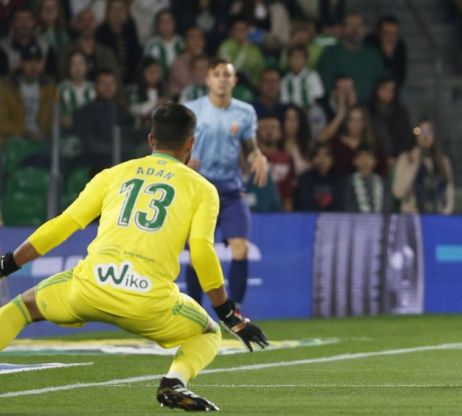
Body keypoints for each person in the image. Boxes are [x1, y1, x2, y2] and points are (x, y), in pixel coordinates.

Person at [0, 103, 269, 411]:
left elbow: (63, 225)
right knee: (208, 332)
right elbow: (202, 252)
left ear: (150, 139)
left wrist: (8, 264)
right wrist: (227, 314)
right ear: (191, 144)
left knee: (22, 307)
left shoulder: (113, 174)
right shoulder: (202, 189)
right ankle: (173, 383)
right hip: (148, 303)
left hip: (88, 289)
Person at [184, 58, 269, 309]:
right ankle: (195, 312)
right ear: (208, 80)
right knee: (198, 254)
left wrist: (258, 157)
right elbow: (176, 145)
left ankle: (236, 310)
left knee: (240, 249)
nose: (222, 78)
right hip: (199, 192)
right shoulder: (191, 110)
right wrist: (184, 162)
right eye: (217, 74)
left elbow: (249, 147)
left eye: (226, 74)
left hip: (231, 192)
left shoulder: (244, 112)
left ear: (234, 81)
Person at [392, 120, 454, 214]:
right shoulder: (405, 159)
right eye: (420, 131)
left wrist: (446, 213)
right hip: (412, 216)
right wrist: (414, 164)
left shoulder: (443, 161)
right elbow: (398, 192)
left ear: (434, 136)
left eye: (428, 131)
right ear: (415, 135)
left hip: (438, 216)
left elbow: (449, 191)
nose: (425, 136)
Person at [295, 142, 343, 211]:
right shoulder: (304, 179)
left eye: (326, 155)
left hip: (332, 219)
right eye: (318, 155)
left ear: (332, 159)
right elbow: (306, 205)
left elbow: (339, 207)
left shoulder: (339, 180)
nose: (322, 159)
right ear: (312, 158)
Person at [344, 144, 387, 213]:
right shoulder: (348, 182)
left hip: (379, 221)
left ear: (375, 161)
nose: (365, 160)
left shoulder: (381, 181)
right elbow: (347, 205)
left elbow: (386, 205)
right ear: (354, 161)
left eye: (369, 157)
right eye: (361, 157)